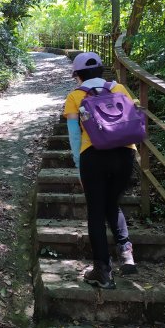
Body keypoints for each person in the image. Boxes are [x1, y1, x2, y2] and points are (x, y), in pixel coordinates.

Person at [63, 51, 137, 289]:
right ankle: (127, 254)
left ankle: (103, 272)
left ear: (78, 74)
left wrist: (79, 164)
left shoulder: (75, 96)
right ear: (101, 70)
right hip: (125, 153)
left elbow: (75, 135)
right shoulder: (120, 89)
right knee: (112, 203)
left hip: (93, 156)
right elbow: (132, 118)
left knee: (96, 211)